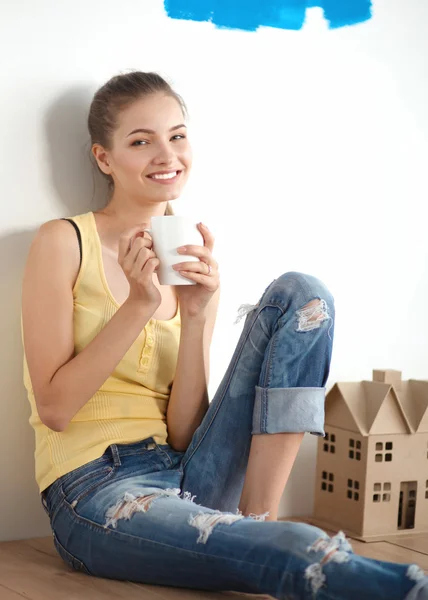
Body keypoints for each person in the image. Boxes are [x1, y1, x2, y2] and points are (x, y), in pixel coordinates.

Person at [21, 71, 428, 599]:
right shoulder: (63, 242)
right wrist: (140, 305)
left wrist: (195, 316)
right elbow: (55, 409)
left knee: (302, 295)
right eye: (141, 141)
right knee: (296, 550)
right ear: (104, 158)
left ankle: (259, 516)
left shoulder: (187, 263)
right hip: (97, 491)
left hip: (186, 471)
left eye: (177, 135)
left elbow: (187, 435)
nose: (166, 154)